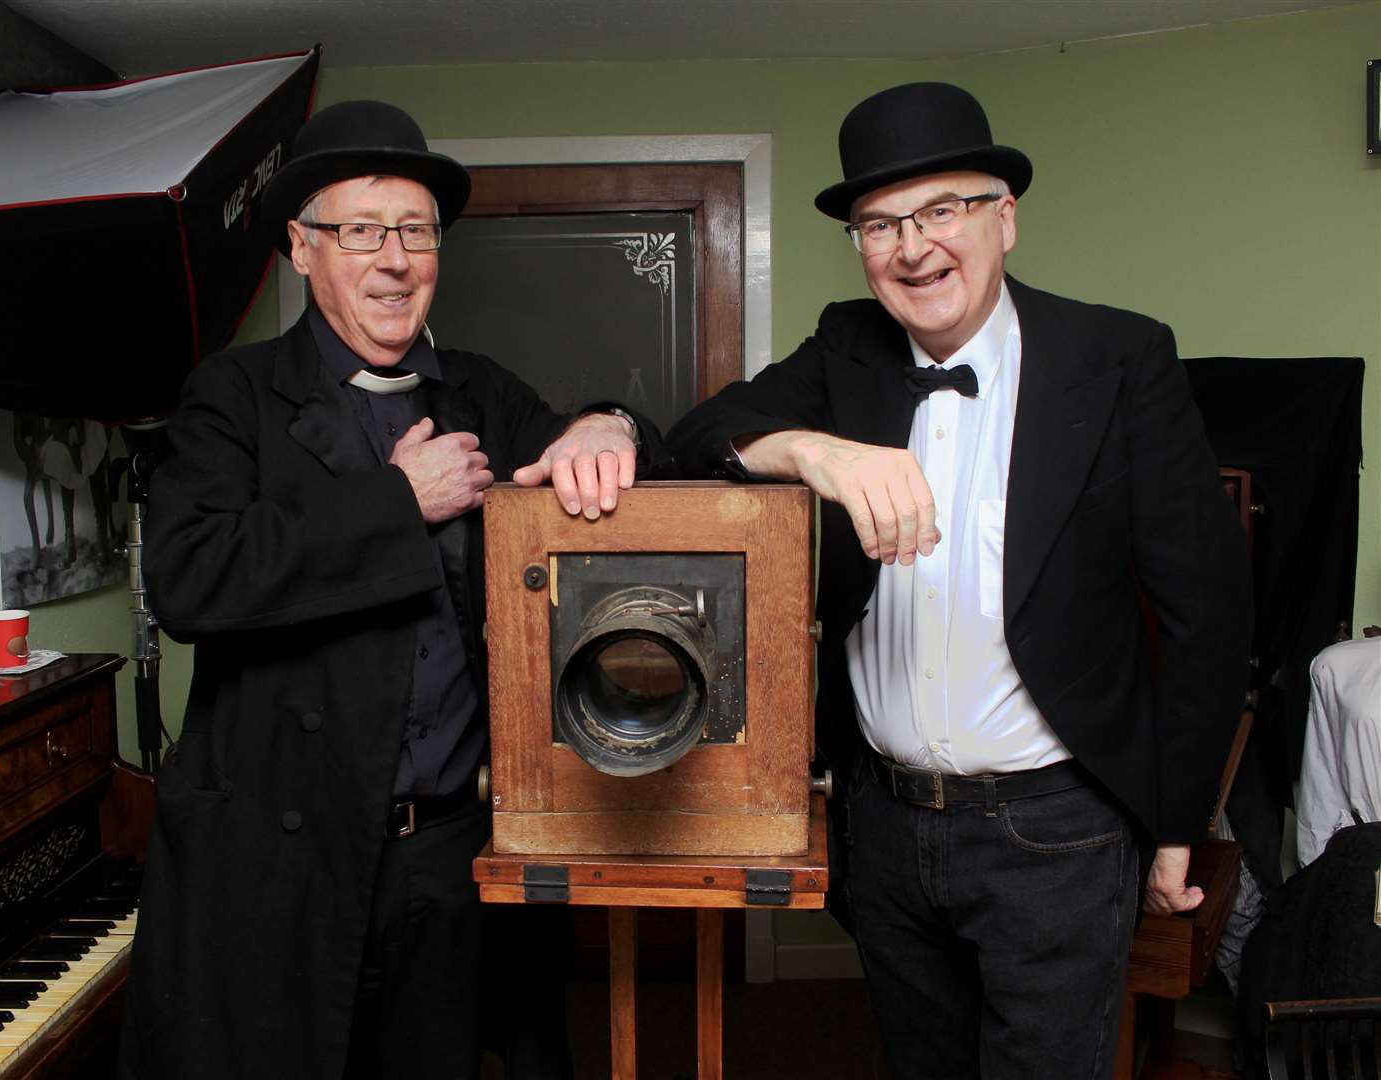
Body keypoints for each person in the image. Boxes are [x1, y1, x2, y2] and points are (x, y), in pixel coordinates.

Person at [667, 82, 1253, 1079]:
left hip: (1058, 830)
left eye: (943, 210)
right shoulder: (846, 347)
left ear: (1004, 219)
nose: (912, 246)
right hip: (886, 825)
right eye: (879, 223)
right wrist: (813, 451)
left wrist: (1175, 826)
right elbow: (690, 441)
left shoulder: (1117, 357)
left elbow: (1207, 611)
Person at [120, 99, 666, 1080]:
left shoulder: (480, 392)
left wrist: (608, 425)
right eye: (362, 230)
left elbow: (624, 461)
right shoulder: (231, 397)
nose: (394, 259)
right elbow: (189, 580)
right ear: (301, 247)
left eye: (415, 231)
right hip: (278, 861)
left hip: (448, 852)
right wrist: (395, 502)